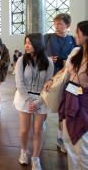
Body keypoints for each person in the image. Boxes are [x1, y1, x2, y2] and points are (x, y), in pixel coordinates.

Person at [13, 33, 54, 170]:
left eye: (30, 43)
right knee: (24, 129)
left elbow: (48, 84)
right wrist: (30, 101)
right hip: (24, 98)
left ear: (38, 44)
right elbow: (19, 83)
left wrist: (38, 102)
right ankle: (23, 151)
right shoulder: (21, 60)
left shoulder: (48, 62)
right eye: (26, 42)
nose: (26, 45)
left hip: (41, 99)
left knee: (38, 130)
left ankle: (35, 158)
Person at [58, 21, 88, 170]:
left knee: (82, 149)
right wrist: (52, 80)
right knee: (68, 143)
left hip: (84, 107)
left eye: (78, 33)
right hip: (70, 103)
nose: (75, 35)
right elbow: (66, 72)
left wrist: (80, 93)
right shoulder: (76, 52)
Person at [44, 13, 76, 153]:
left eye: (60, 24)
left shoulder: (72, 40)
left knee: (63, 106)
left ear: (67, 25)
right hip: (49, 74)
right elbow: (39, 54)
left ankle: (60, 137)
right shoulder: (48, 37)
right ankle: (41, 126)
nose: (56, 26)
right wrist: (48, 58)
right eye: (55, 23)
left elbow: (75, 57)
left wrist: (67, 63)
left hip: (66, 77)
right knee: (45, 101)